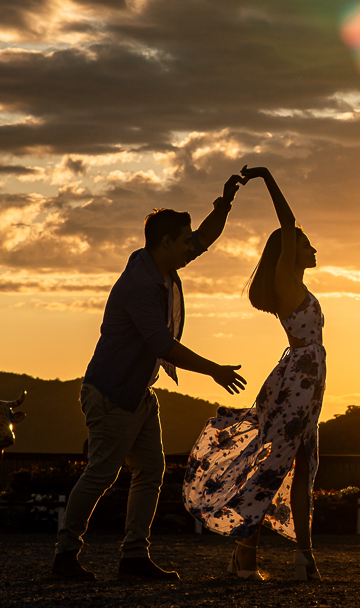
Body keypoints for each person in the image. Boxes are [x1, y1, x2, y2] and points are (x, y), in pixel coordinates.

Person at [52, 174, 249, 582]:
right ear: (165, 243)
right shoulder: (141, 284)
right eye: (184, 241)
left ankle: (134, 558)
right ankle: (65, 555)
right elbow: (162, 344)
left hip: (136, 392)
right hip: (111, 393)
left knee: (150, 471)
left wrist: (224, 204)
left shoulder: (158, 266)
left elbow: (205, 238)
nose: (191, 247)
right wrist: (214, 369)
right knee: (102, 474)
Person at [184, 165, 325, 582]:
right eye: (305, 244)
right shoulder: (286, 279)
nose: (312, 247)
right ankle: (247, 554)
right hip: (298, 381)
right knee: (277, 466)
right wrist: (264, 177)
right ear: (288, 252)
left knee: (302, 467)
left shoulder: (296, 282)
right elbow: (287, 223)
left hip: (306, 381)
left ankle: (303, 557)